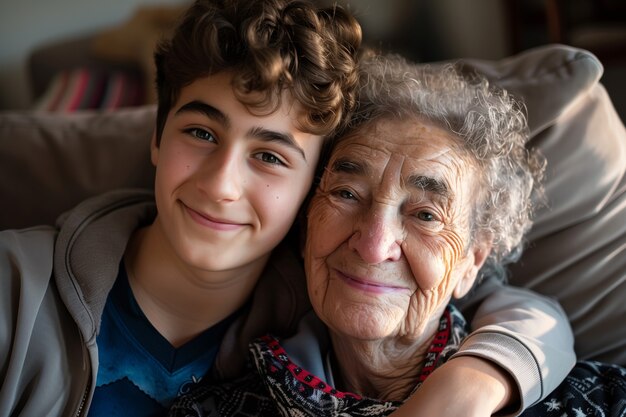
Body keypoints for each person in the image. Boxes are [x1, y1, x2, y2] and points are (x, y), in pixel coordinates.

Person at [0, 2, 574, 417]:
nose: (222, 185)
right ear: (155, 136)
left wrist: (476, 379)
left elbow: (491, 293)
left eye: (271, 157)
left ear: (312, 189)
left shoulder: (334, 289)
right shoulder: (15, 290)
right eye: (200, 132)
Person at [167, 53, 600, 417]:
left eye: (426, 215)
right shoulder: (212, 409)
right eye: (347, 193)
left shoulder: (590, 400)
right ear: (305, 224)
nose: (374, 245)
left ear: (472, 261)